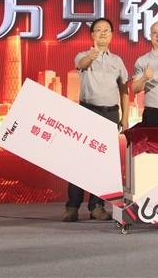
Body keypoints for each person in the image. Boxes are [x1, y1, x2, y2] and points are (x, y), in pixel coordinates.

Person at [63, 18, 129, 222]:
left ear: (112, 35)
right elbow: (81, 64)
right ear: (92, 35)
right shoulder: (83, 55)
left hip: (110, 113)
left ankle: (96, 206)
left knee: (103, 163)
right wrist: (92, 56)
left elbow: (124, 90)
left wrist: (125, 118)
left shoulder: (117, 61)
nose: (102, 33)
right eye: (98, 30)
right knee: (80, 161)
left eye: (106, 30)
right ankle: (72, 207)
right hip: (88, 111)